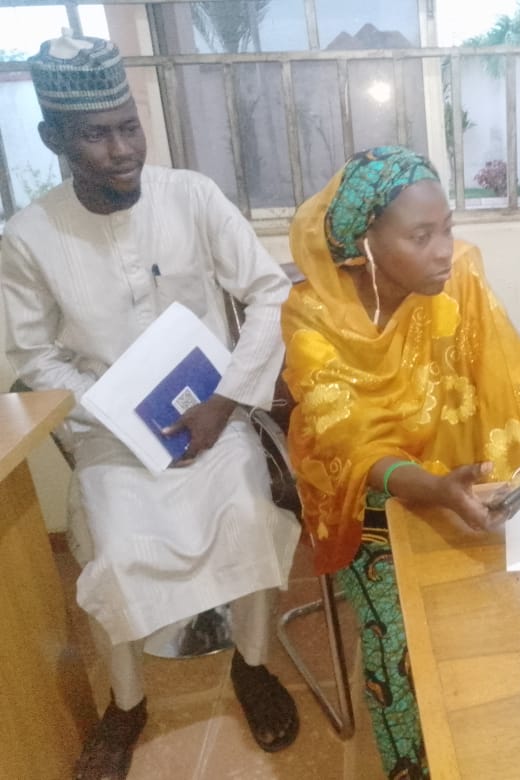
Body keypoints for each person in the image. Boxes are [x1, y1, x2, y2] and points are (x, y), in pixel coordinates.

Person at [1, 33, 301, 779]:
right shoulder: (28, 237)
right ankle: (127, 703)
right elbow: (30, 356)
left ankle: (252, 667)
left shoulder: (192, 195)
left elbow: (269, 293)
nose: (121, 150)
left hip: (215, 417)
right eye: (95, 135)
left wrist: (226, 401)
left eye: (128, 127)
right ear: (53, 138)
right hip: (112, 434)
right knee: (113, 546)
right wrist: (116, 413)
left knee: (246, 514)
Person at [280, 145, 520, 778]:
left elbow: (507, 386)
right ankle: (413, 763)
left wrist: (490, 485)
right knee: (403, 642)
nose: (443, 250)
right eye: (420, 236)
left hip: (463, 483)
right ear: (366, 242)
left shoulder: (458, 280)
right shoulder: (312, 317)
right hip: (371, 507)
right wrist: (432, 489)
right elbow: (350, 444)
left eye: (447, 229)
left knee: (516, 606)